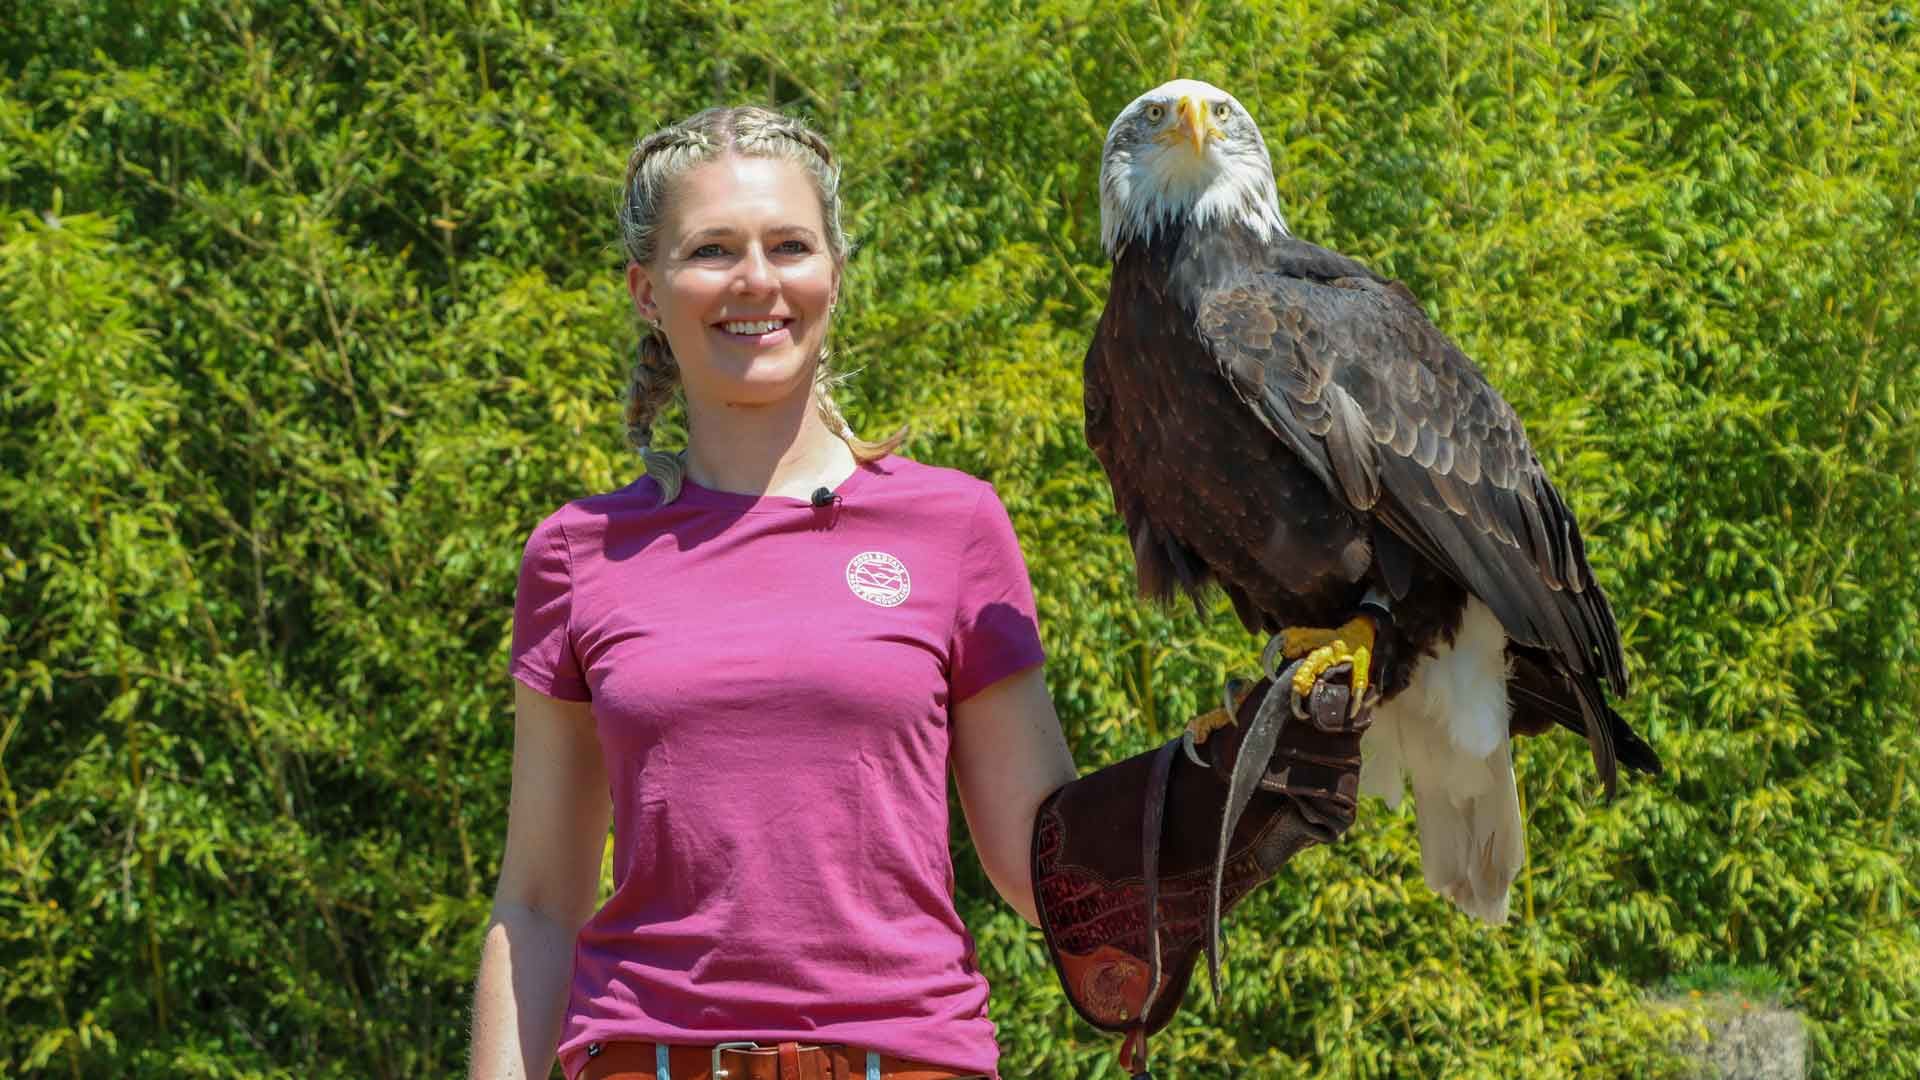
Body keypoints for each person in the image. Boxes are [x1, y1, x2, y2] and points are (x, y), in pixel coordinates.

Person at [465, 105, 1081, 1080]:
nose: (756, 279)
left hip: (908, 1060)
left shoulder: (954, 527)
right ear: (645, 289)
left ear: (833, 271)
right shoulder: (576, 553)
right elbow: (540, 899)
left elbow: (1045, 862)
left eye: (788, 245)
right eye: (712, 250)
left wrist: (1214, 801)